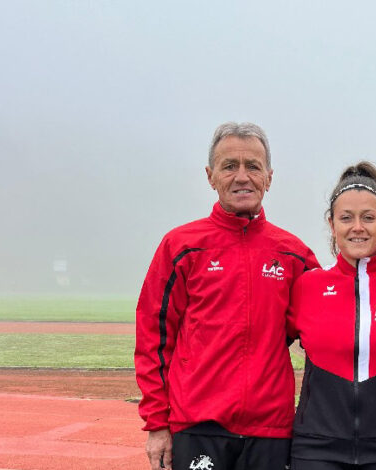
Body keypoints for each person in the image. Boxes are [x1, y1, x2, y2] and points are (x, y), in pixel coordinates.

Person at [135, 122, 319, 470]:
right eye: (229, 166)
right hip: (198, 426)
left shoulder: (294, 256)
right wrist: (157, 424)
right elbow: (153, 337)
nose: (242, 176)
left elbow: (323, 330)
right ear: (210, 176)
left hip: (271, 430)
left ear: (269, 176)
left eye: (253, 166)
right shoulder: (181, 247)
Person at [287, 162, 376, 470]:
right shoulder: (308, 286)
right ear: (332, 224)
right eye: (346, 218)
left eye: (368, 218)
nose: (357, 227)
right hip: (316, 448)